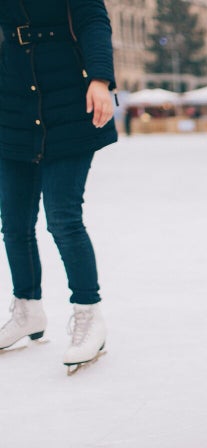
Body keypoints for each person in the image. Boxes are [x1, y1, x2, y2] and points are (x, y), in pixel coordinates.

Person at [0, 0, 117, 374]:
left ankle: (88, 315)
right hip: (15, 107)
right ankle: (28, 310)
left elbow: (93, 21)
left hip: (69, 104)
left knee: (63, 218)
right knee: (14, 223)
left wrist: (100, 78)